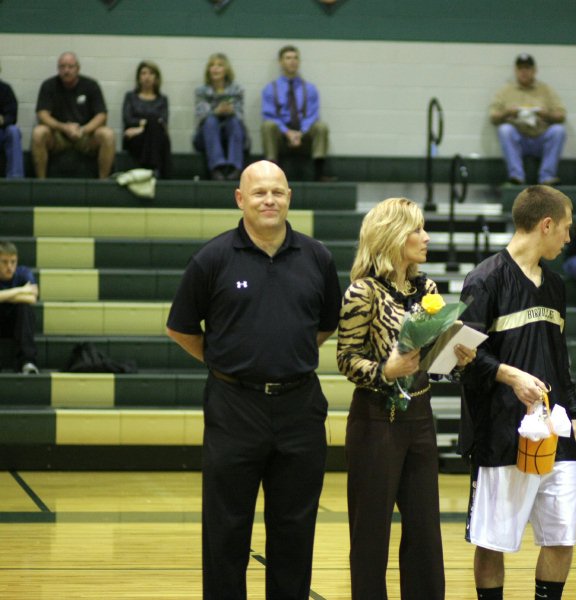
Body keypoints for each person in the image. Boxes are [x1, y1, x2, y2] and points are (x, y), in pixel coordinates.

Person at [165, 160, 341, 599]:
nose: (269, 200)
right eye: (259, 192)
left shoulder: (317, 257)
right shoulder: (212, 258)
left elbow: (325, 324)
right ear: (240, 199)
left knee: (294, 530)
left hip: (300, 408)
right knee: (226, 530)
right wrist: (228, 360)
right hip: (233, 407)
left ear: (289, 198)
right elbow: (181, 328)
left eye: (277, 192)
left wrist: (284, 354)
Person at [337, 197, 477, 599]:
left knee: (424, 532)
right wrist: (384, 371)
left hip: (420, 413)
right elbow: (345, 359)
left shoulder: (426, 288)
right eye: (416, 229)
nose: (425, 237)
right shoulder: (362, 292)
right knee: (371, 534)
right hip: (375, 419)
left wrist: (457, 355)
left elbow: (431, 360)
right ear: (391, 235)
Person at [458, 185, 576, 600]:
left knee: (561, 534)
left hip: (555, 429)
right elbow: (462, 358)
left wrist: (575, 412)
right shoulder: (484, 279)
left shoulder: (556, 286)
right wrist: (510, 375)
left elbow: (559, 356)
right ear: (546, 224)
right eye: (565, 229)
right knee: (493, 540)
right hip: (500, 432)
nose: (568, 239)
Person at [31, 52, 115, 179]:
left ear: (78, 68)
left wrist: (83, 130)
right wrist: (63, 127)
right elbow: (42, 114)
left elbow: (101, 115)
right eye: (62, 67)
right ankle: (41, 182)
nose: (66, 70)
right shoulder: (48, 85)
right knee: (38, 132)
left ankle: (103, 183)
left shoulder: (91, 85)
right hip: (58, 135)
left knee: (108, 134)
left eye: (70, 67)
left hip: (85, 135)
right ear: (58, 69)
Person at [489, 53, 567, 186]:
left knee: (558, 131)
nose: (524, 72)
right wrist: (507, 112)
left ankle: (547, 176)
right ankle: (516, 176)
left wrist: (546, 114)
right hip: (519, 140)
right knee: (505, 130)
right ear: (515, 71)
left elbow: (561, 115)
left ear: (534, 70)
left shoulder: (546, 90)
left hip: (540, 138)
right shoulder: (506, 91)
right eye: (520, 69)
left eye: (527, 68)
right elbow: (493, 117)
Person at [261, 45, 334, 181]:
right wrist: (287, 132)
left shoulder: (310, 89)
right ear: (281, 62)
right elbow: (269, 115)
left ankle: (319, 173)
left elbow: (312, 115)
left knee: (321, 127)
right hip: (281, 138)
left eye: (295, 58)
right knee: (267, 126)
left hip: (304, 137)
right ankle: (271, 174)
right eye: (288, 58)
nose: (292, 61)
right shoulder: (271, 89)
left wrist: (300, 133)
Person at [193, 52, 247, 180]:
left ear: (226, 69)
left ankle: (234, 168)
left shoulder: (237, 89)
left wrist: (231, 111)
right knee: (211, 120)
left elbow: (240, 115)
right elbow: (201, 116)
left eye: (220, 65)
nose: (215, 68)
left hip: (231, 132)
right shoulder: (201, 91)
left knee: (233, 121)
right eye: (212, 65)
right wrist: (216, 111)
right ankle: (217, 167)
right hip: (205, 135)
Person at [122, 60, 172, 178]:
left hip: (149, 135)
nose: (147, 77)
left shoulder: (162, 99)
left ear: (156, 78)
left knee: (156, 126)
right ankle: (155, 169)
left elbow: (163, 121)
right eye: (143, 73)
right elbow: (128, 119)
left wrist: (141, 128)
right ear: (138, 77)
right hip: (134, 139)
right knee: (155, 124)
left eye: (151, 73)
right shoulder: (130, 97)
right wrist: (146, 126)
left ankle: (150, 168)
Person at [0, 241, 39, 374]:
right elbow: (27, 293)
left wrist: (4, 296)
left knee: (25, 308)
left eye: (13, 262)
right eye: (4, 262)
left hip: (16, 324)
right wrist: (21, 290)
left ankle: (27, 362)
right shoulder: (22, 283)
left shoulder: (23, 272)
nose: (9, 267)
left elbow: (32, 297)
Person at [0, 63, 24, 179]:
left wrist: (3, 120)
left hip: (1, 131)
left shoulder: (5, 89)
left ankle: (15, 178)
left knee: (14, 131)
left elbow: (12, 115)